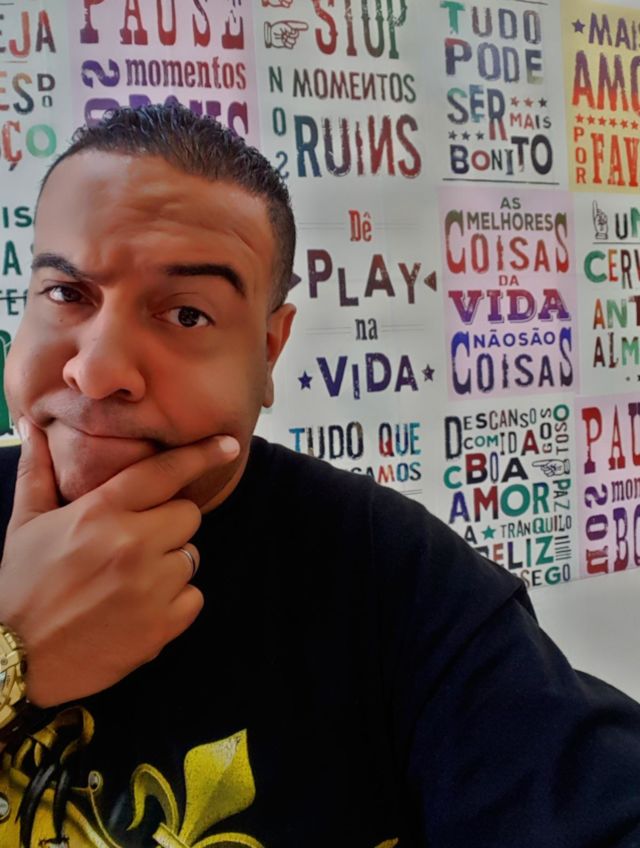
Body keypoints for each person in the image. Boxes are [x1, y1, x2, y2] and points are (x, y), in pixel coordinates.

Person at [0, 104, 638, 848]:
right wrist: (15, 655)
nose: (97, 369)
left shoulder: (390, 573)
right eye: (67, 293)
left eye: (187, 315)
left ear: (269, 351)